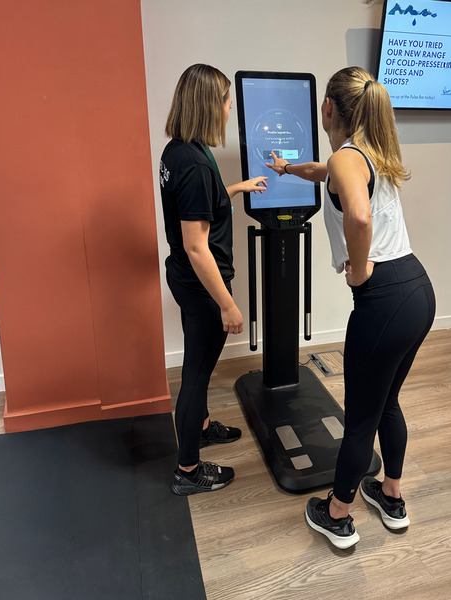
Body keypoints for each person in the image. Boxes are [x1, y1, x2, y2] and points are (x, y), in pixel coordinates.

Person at [266, 66, 435, 549]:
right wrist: (287, 169)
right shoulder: (370, 153)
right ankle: (391, 496)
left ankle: (337, 514)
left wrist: (358, 270)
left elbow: (358, 217)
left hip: (383, 301)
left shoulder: (347, 157)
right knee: (387, 402)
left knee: (360, 416)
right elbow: (323, 173)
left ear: (328, 107)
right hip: (418, 291)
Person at [160, 64, 268, 496]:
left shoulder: (179, 151)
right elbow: (196, 246)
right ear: (209, 106)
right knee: (196, 375)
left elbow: (202, 202)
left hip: (185, 280)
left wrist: (237, 187)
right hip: (202, 287)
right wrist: (227, 304)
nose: (229, 110)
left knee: (198, 369)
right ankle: (188, 471)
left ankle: (201, 428)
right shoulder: (194, 165)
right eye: (226, 102)